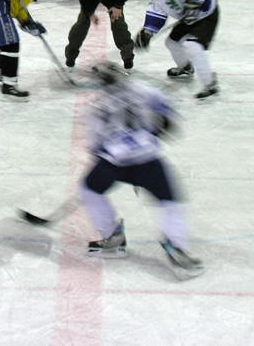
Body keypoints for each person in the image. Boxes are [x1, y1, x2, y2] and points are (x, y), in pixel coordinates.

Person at [78, 61, 204, 279]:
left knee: (88, 191)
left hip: (114, 162)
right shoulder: (142, 89)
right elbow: (166, 113)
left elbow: (95, 146)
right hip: (147, 158)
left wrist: (101, 166)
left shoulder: (97, 107)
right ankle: (176, 246)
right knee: (171, 201)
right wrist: (155, 131)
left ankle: (113, 238)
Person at [133, 0, 220, 99]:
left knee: (193, 45)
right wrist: (147, 33)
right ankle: (186, 67)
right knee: (172, 42)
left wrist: (196, 0)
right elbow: (157, 14)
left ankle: (210, 84)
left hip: (206, 16)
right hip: (189, 20)